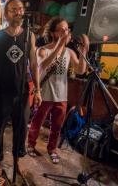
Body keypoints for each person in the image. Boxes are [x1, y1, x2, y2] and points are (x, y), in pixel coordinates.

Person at [0, 0, 42, 177]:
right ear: (7, 14)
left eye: (21, 9)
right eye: (14, 9)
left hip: (22, 92)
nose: (18, 12)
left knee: (21, 128)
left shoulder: (29, 35)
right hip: (1, 91)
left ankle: (17, 160)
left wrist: (37, 90)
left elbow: (34, 64)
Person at [27, 16, 89, 164]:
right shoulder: (42, 50)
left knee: (57, 125)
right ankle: (30, 145)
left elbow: (80, 70)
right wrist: (59, 46)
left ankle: (52, 149)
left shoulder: (69, 52)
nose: (66, 32)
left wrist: (84, 50)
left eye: (67, 29)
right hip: (45, 94)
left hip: (62, 95)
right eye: (62, 30)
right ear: (54, 33)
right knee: (37, 122)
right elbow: (43, 66)